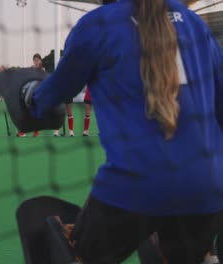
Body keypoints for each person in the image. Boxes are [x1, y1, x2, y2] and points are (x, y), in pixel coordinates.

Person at [20, 0, 223, 262]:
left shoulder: (99, 24)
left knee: (68, 251)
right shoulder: (194, 23)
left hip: (135, 186)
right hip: (206, 186)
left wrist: (31, 98)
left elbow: (57, 90)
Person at [17, 53, 44, 137]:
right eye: (35, 60)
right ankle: (23, 131)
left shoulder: (42, 69)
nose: (36, 62)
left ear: (40, 61)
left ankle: (36, 130)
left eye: (37, 60)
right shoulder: (30, 69)